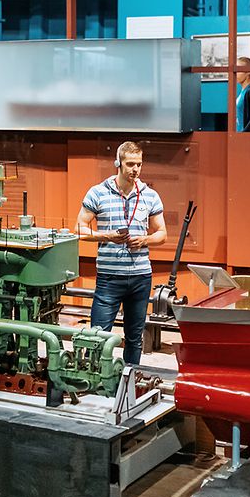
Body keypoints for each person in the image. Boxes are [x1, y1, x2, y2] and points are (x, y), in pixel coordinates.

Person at [76, 141, 167, 365]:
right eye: (130, 164)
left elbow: (162, 233)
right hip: (109, 278)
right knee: (97, 335)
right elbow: (79, 229)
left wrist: (145, 239)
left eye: (139, 164)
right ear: (118, 163)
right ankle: (93, 379)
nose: (135, 170)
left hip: (140, 277)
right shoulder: (98, 193)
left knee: (135, 338)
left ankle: (129, 381)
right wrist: (106, 236)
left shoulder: (150, 196)